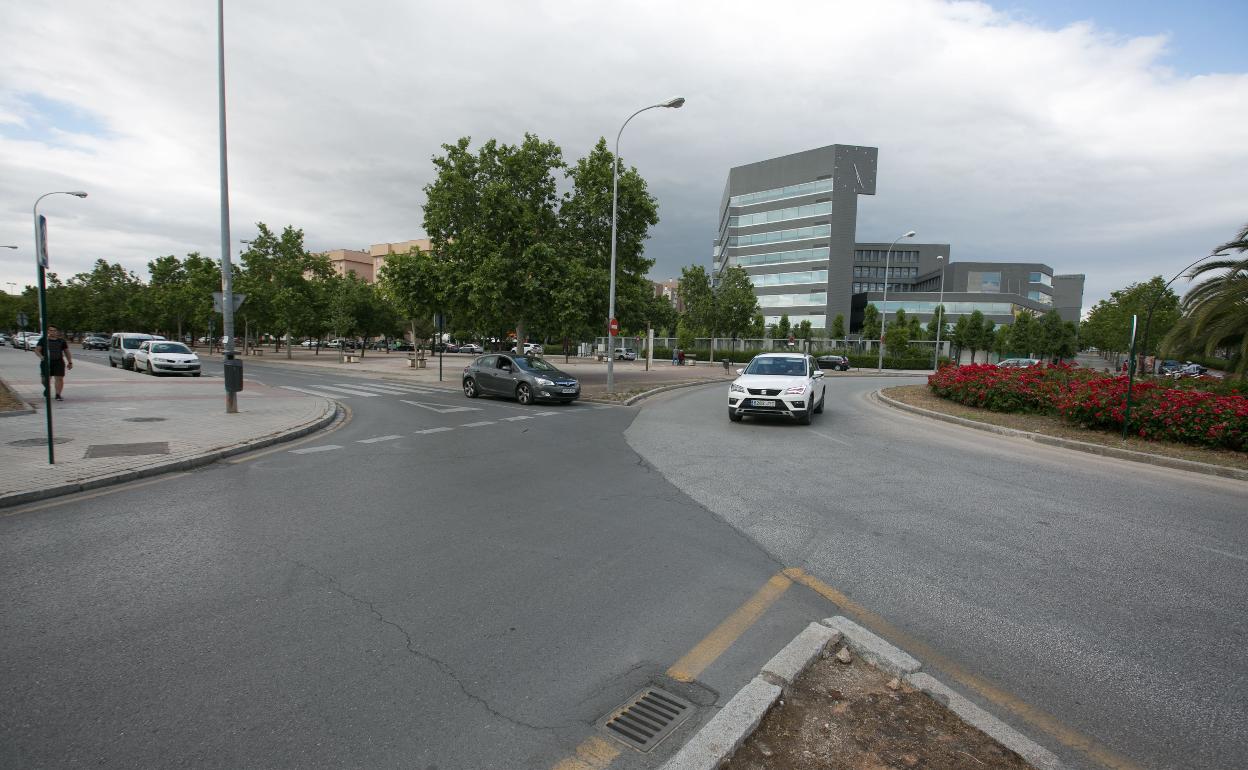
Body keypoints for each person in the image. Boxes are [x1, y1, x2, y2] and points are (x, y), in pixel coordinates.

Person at [34, 325, 73, 400]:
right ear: (48, 331)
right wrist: (41, 357)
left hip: (58, 362)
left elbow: (67, 352)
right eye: (51, 330)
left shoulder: (61, 341)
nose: (53, 332)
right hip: (46, 362)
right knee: (44, 380)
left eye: (54, 330)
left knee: (59, 378)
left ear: (57, 331)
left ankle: (58, 394)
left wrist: (70, 362)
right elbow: (37, 350)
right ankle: (47, 388)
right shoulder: (43, 340)